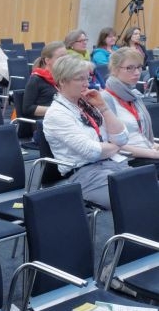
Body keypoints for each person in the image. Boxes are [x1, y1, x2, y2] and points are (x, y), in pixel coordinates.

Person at [43, 54, 130, 210]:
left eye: (87, 78)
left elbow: (123, 138)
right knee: (135, 197)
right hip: (85, 175)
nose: (87, 84)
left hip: (114, 164)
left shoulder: (89, 104)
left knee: (150, 189)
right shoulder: (56, 114)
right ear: (62, 81)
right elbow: (92, 152)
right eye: (80, 79)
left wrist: (104, 108)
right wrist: (115, 146)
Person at [102, 47, 159, 171]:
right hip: (127, 160)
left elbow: (139, 135)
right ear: (115, 69)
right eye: (130, 68)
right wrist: (153, 154)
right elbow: (112, 145)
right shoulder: (105, 99)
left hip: (147, 152)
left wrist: (154, 147)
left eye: (139, 67)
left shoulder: (134, 95)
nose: (137, 72)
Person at [23, 41, 67, 119]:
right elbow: (27, 109)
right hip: (45, 121)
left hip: (61, 117)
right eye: (60, 57)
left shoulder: (64, 78)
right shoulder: (36, 79)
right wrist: (57, 110)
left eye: (66, 57)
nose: (65, 60)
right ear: (47, 61)